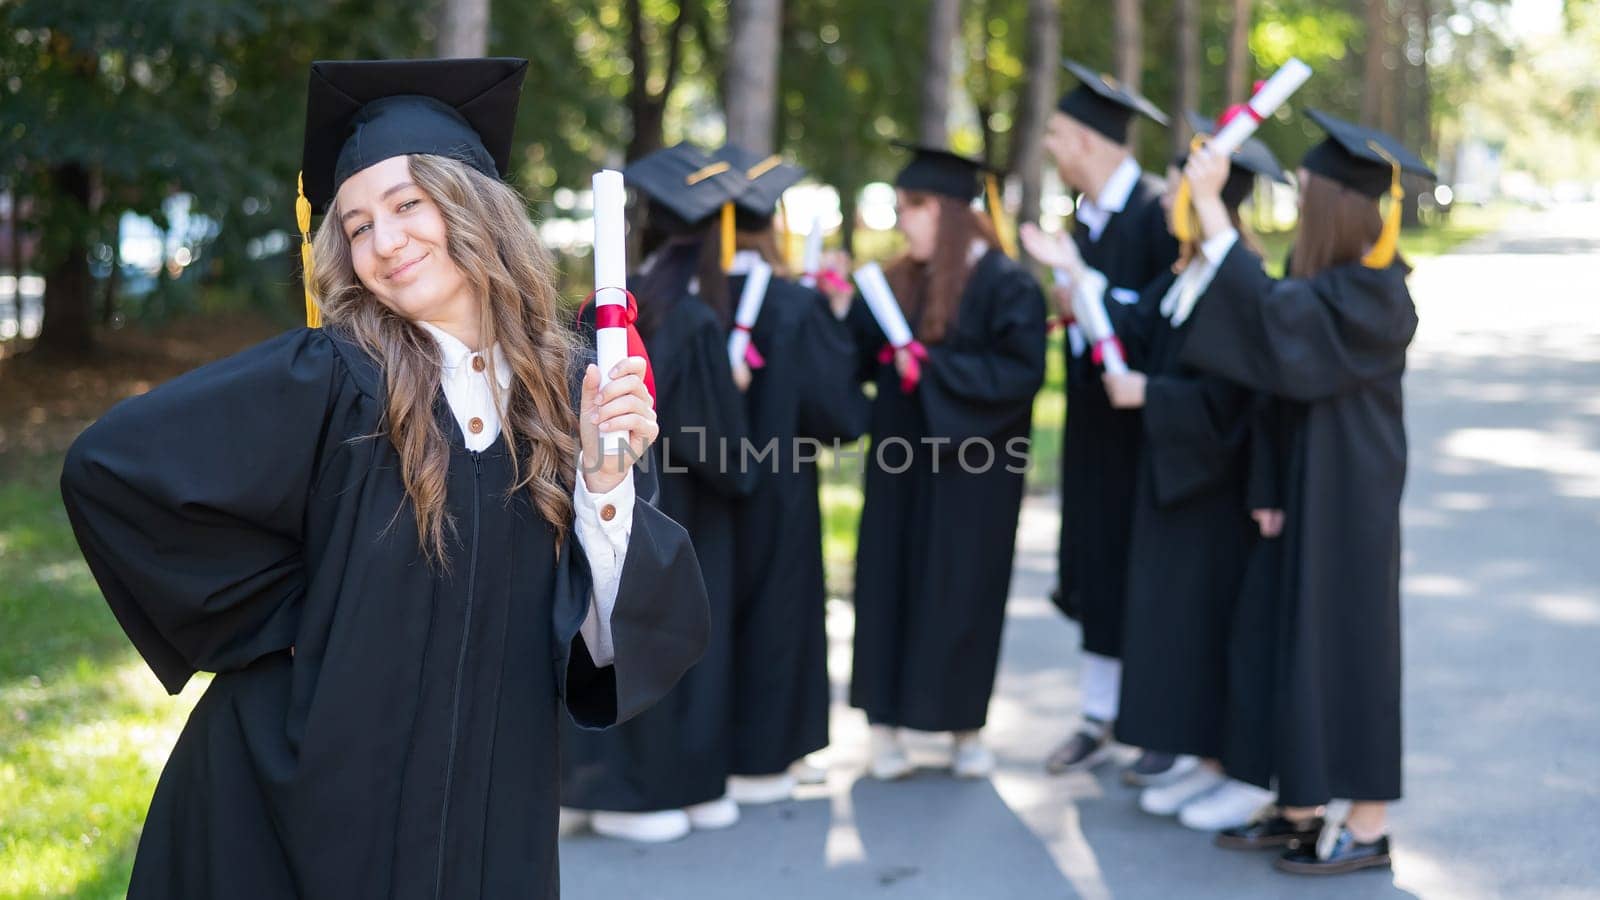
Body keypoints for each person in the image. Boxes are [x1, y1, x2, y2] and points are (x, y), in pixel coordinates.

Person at [58, 57, 708, 899]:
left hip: (489, 806)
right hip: (299, 798)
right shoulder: (332, 376)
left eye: (408, 205)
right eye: (358, 225)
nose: (385, 241)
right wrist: (280, 616)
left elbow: (607, 644)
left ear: (475, 206)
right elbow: (109, 468)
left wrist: (605, 481)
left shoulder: (569, 391)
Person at [1175, 109, 1431, 875]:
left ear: (1333, 205)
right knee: (1282, 643)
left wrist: (1216, 210)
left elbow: (1277, 325)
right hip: (1295, 491)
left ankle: (1368, 822)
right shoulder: (1321, 282)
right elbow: (1274, 381)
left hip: (1349, 501)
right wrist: (1265, 485)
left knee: (1347, 650)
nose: (1298, 198)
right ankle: (1299, 806)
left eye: (1307, 188)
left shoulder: (1379, 292)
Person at [1026, 110, 1291, 830]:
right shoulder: (1190, 273)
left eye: (1183, 186)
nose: (1168, 195)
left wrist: (1153, 395)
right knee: (1177, 628)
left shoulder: (1241, 277)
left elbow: (1232, 398)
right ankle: (1199, 760)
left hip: (1211, 485)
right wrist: (1080, 284)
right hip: (1174, 483)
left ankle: (1229, 768)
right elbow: (1142, 327)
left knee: (1209, 631)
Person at [821, 144, 1046, 780]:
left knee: (963, 589)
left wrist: (934, 368)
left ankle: (962, 727)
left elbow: (1021, 373)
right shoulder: (893, 283)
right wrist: (839, 311)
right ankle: (885, 727)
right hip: (901, 467)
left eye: (912, 209)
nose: (902, 223)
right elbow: (858, 359)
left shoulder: (1008, 285)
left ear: (948, 211)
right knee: (889, 581)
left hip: (976, 473)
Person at [561, 142, 757, 842]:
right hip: (683, 510)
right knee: (665, 641)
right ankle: (652, 795)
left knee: (606, 626)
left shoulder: (602, 311)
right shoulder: (696, 320)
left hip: (610, 489)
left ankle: (589, 788)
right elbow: (721, 449)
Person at [1040, 60, 1186, 787]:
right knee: (1096, 560)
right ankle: (1099, 715)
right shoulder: (1086, 218)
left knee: (1146, 566)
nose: (1050, 144)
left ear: (1094, 143)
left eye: (1059, 133)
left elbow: (1165, 322)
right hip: (1095, 422)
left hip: (1151, 429)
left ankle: (1156, 716)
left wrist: (1085, 283)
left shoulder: (1161, 215)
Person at [710, 144, 867, 804]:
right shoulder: (793, 305)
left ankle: (709, 752)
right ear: (769, 225)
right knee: (777, 617)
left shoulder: (685, 294)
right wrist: (834, 321)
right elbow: (840, 415)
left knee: (712, 614)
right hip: (778, 486)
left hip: (700, 489)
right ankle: (765, 761)